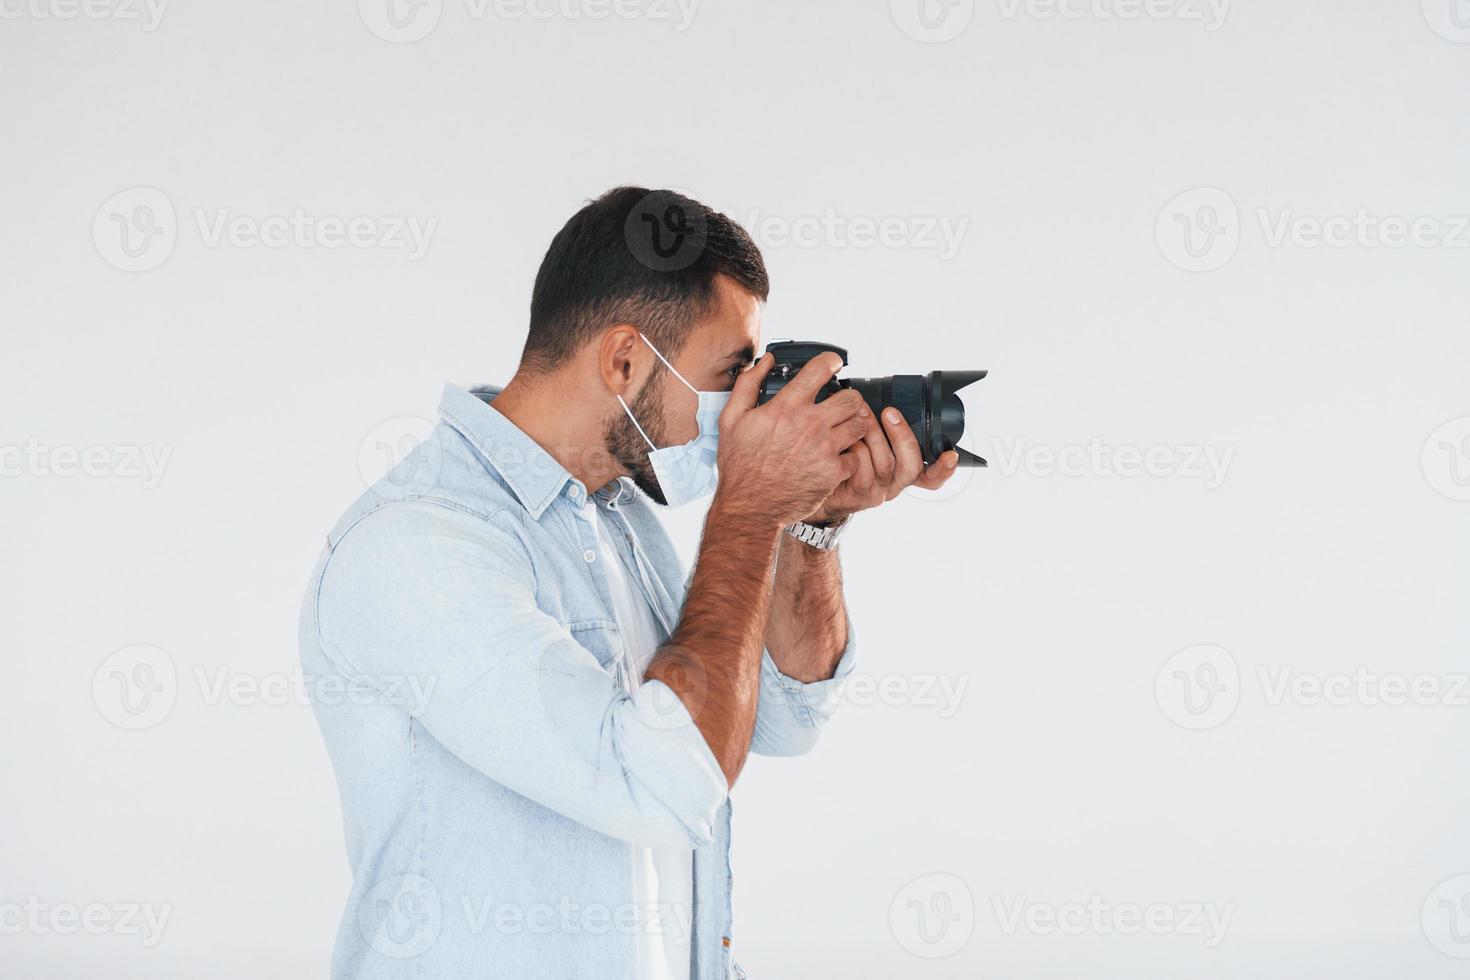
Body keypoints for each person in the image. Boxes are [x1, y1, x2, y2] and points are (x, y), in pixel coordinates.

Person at [299, 186, 960, 979]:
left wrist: (808, 525)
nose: (744, 406)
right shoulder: (417, 546)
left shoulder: (614, 516)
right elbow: (663, 783)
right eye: (731, 374)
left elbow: (780, 721)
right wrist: (749, 509)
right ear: (623, 361)